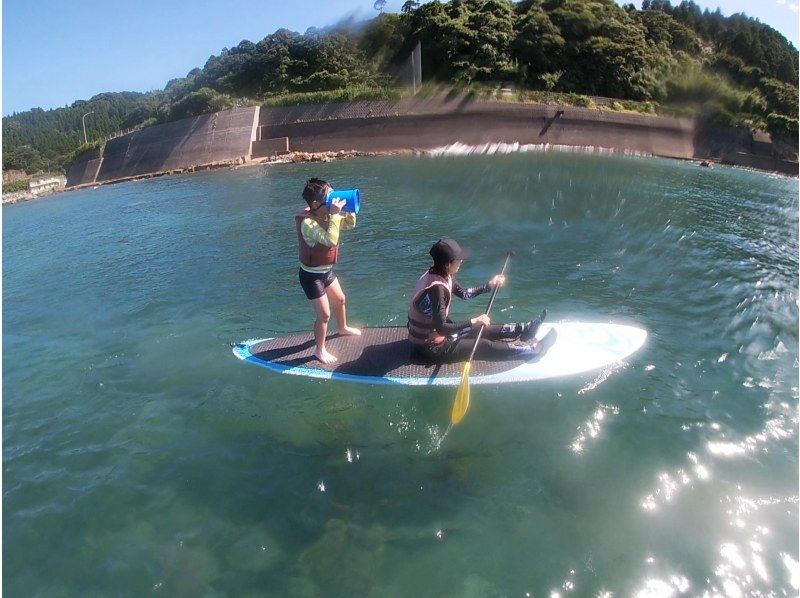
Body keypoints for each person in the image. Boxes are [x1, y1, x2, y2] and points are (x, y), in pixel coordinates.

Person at [407, 238, 546, 364]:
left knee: (483, 327)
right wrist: (473, 321)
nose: (461, 261)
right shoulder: (436, 289)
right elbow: (441, 328)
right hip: (431, 348)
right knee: (483, 345)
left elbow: (464, 294)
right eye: (458, 259)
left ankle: (525, 328)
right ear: (448, 264)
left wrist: (489, 285)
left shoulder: (441, 274)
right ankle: (530, 350)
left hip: (443, 335)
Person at [296, 178, 361, 364]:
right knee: (324, 314)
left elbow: (349, 225)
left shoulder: (327, 214)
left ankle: (343, 328)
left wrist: (347, 209)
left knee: (340, 300)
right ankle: (319, 350)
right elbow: (330, 240)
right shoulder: (307, 223)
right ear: (316, 203)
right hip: (311, 276)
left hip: (326, 271)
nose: (334, 200)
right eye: (329, 196)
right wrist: (334, 215)